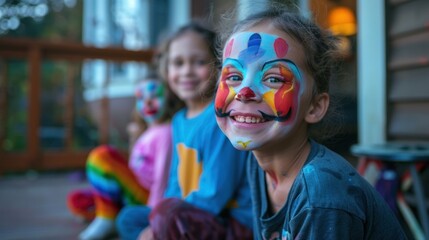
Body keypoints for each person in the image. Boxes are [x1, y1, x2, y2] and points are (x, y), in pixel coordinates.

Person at [214, 8, 408, 240]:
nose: (244, 92)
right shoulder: (258, 163)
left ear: (314, 107)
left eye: (274, 78)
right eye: (234, 76)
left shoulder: (322, 198)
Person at [116, 22, 253, 240]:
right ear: (166, 69)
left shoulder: (222, 118)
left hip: (228, 222)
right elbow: (174, 182)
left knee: (162, 219)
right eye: (178, 63)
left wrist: (165, 222)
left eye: (199, 62)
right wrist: (164, 216)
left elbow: (215, 194)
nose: (186, 71)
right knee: (129, 218)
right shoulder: (179, 120)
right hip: (188, 215)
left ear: (219, 67)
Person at [67, 71, 182, 240]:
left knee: (102, 155)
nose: (148, 102)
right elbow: (135, 165)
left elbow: (162, 178)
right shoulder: (148, 131)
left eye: (155, 96)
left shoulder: (165, 132)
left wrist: (153, 216)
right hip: (133, 190)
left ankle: (107, 218)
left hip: (147, 196)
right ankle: (108, 215)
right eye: (141, 98)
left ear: (169, 100)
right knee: (78, 200)